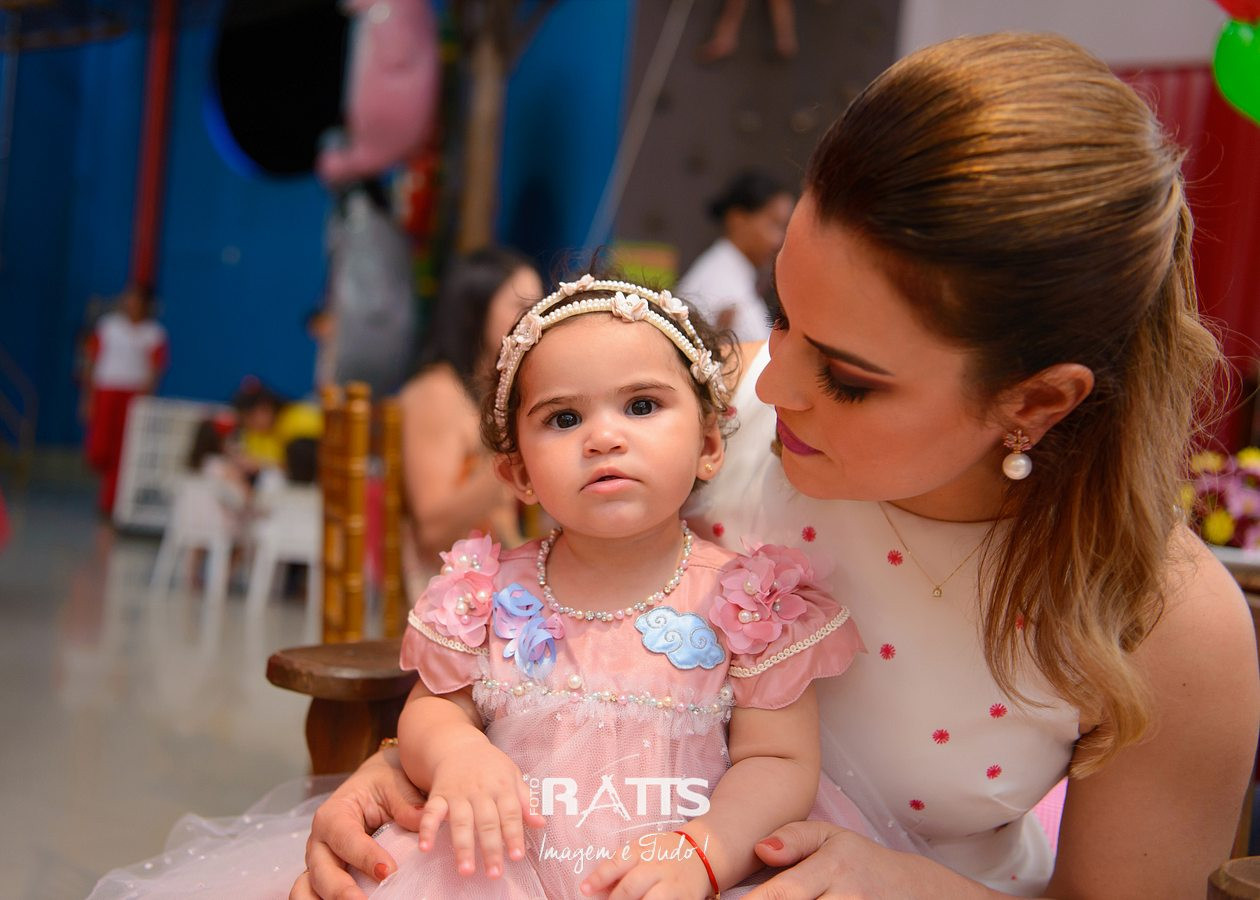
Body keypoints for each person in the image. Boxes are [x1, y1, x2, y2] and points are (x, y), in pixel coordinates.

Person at [293, 33, 1259, 899]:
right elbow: (552, 631)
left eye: (847, 377)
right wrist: (424, 766)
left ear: (1035, 403)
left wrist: (907, 887)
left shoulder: (1164, 620)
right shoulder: (698, 418)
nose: (771, 382)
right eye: (783, 314)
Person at [353, 275, 886, 899]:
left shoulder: (749, 603)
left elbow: (778, 759)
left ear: (708, 445)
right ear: (518, 473)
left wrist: (705, 851)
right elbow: (435, 708)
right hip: (501, 868)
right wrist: (455, 753)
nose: (603, 437)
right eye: (565, 418)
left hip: (684, 869)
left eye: (641, 406)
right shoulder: (486, 593)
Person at [396, 247, 542, 598]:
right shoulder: (436, 394)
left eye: (538, 307)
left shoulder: (490, 394)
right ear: (475, 311)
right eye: (520, 307)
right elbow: (432, 533)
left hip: (488, 578)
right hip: (446, 594)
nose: (535, 321)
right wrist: (514, 457)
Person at [676, 170, 794, 344]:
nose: (780, 240)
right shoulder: (720, 283)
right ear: (737, 219)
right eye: (774, 225)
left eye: (784, 228)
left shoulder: (730, 273)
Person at [82, 284, 168, 516]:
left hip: (133, 394)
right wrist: (88, 396)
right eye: (128, 298)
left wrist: (146, 399)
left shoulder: (154, 333)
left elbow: (155, 370)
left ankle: (110, 501)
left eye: (136, 300)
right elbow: (91, 360)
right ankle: (106, 486)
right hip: (106, 389)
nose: (131, 304)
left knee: (123, 451)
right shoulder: (108, 326)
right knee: (100, 449)